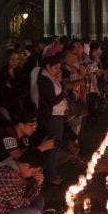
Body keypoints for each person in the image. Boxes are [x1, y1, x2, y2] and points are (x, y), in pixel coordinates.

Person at [35, 55, 67, 185]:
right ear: (48, 66)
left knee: (54, 144)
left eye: (59, 67)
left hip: (57, 115)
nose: (58, 70)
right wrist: (64, 93)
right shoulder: (45, 80)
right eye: (56, 67)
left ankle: (51, 172)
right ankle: (51, 175)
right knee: (53, 144)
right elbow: (52, 100)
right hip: (53, 116)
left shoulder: (49, 77)